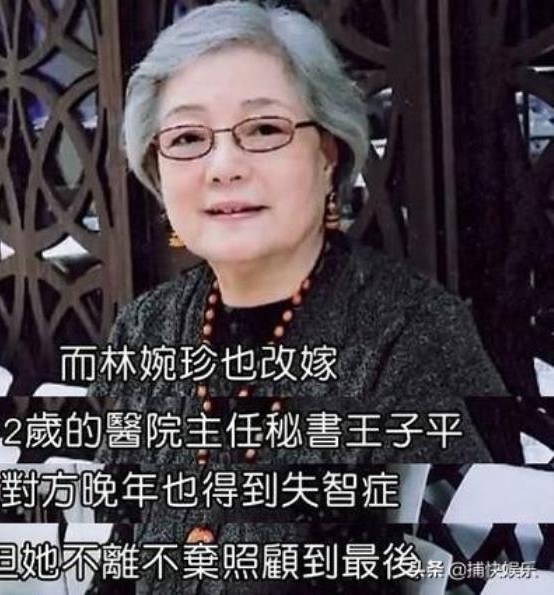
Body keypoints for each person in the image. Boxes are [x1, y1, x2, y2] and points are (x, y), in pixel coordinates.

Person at [87, 2, 506, 592]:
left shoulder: (412, 336)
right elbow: (120, 552)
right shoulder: (144, 331)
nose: (223, 167)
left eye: (264, 129)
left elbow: (477, 569)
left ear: (328, 154)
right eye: (188, 137)